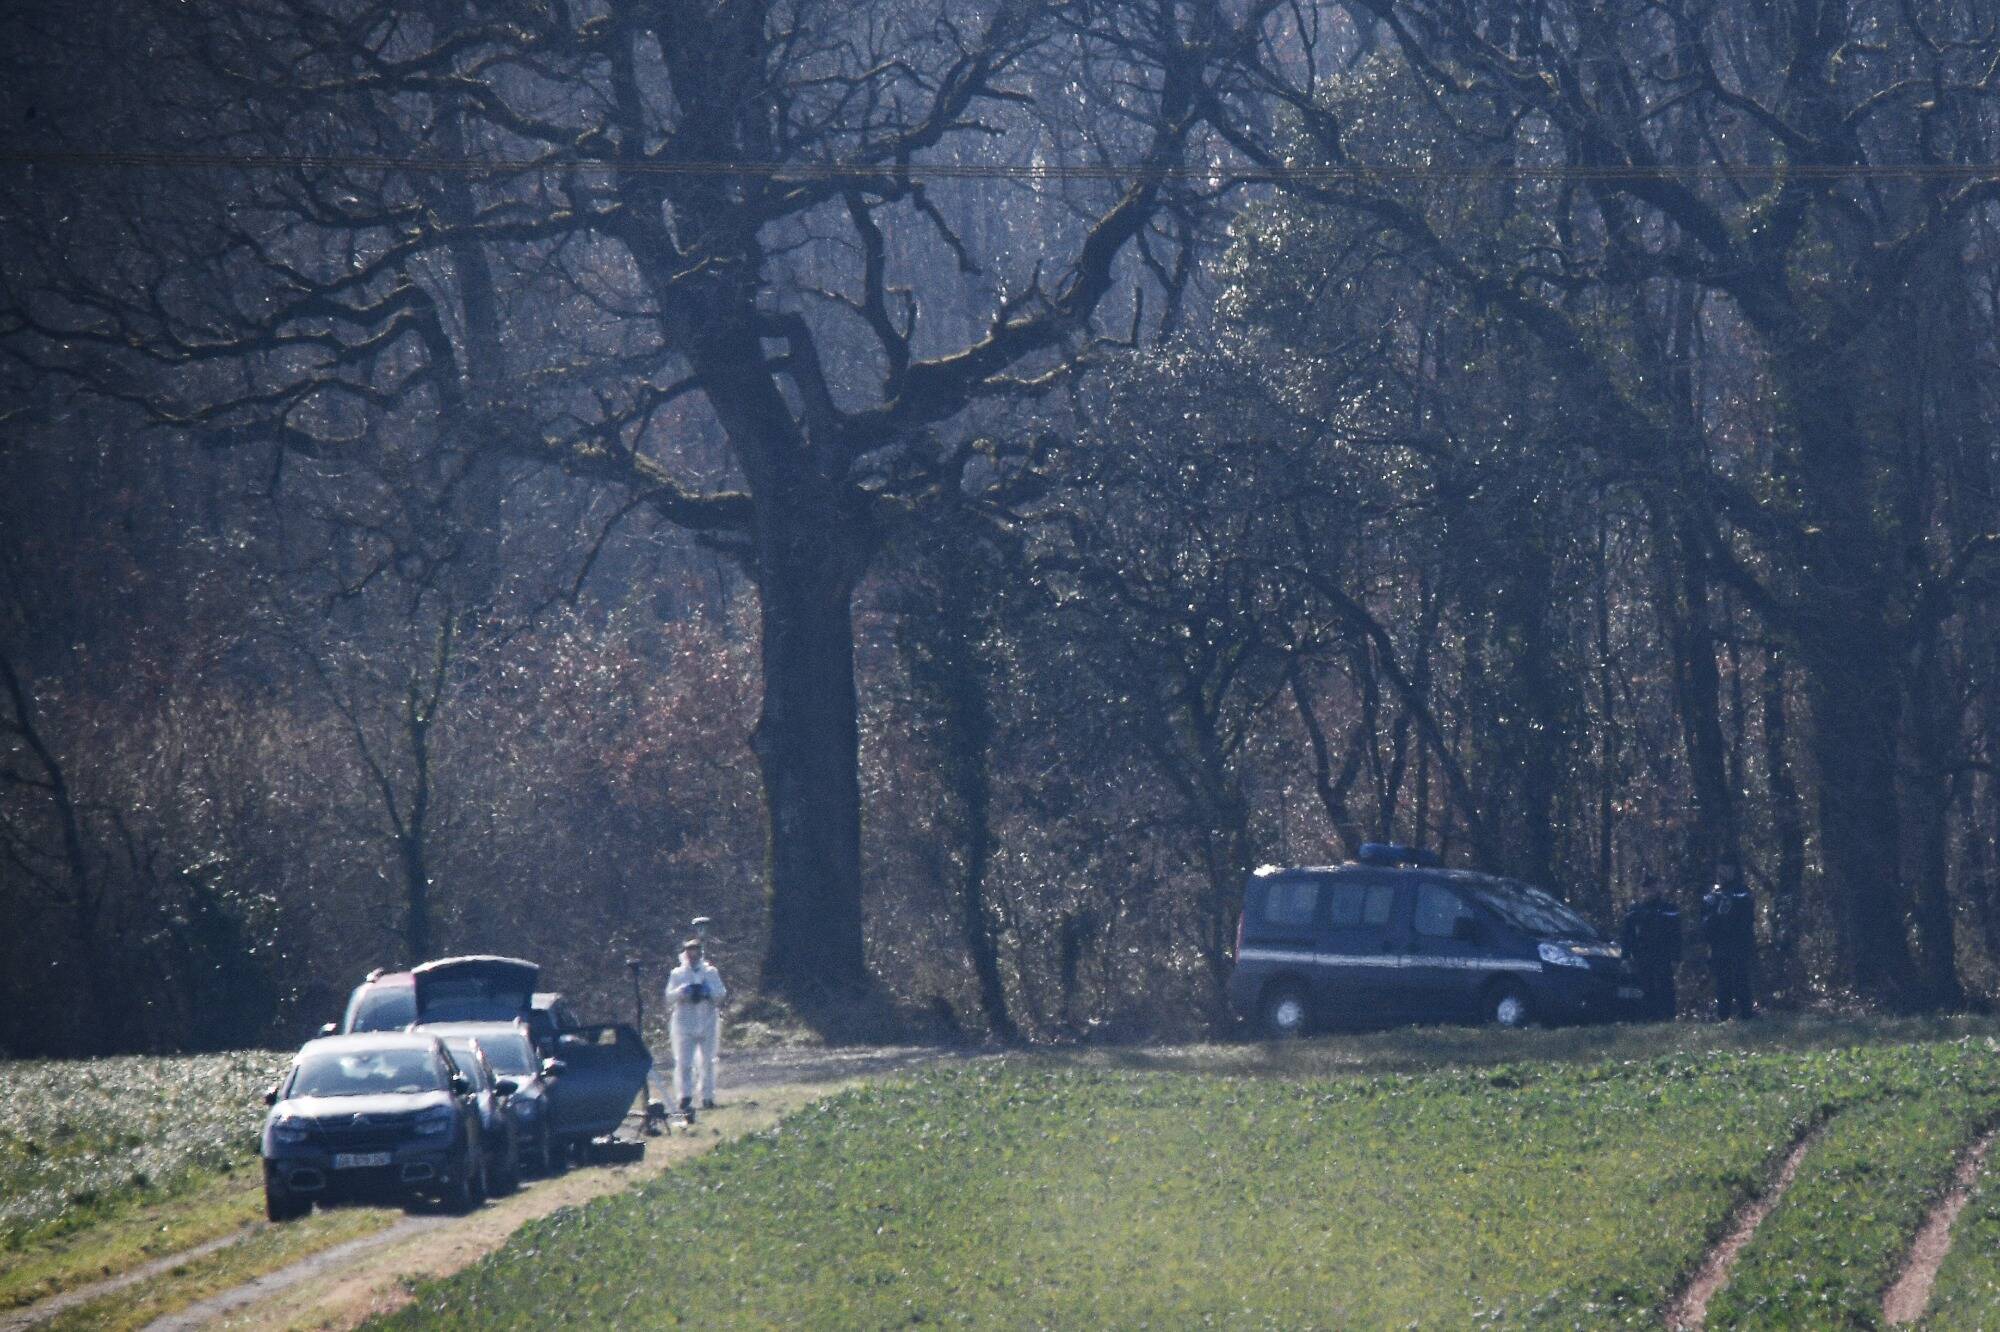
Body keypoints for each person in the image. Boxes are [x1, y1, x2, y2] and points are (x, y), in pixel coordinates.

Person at [665, 937, 726, 1118]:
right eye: (689, 951)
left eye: (696, 951)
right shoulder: (677, 974)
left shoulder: (710, 972)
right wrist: (682, 992)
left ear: (700, 952)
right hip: (684, 1023)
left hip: (707, 1022)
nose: (693, 955)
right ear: (685, 953)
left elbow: (721, 994)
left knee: (708, 1061)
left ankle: (707, 1096)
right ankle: (685, 1096)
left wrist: (708, 992)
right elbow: (668, 998)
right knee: (684, 1062)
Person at [1620, 883, 1683, 1022]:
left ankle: (1668, 1016)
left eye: (1651, 888)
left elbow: (1675, 934)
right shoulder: (1635, 910)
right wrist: (1625, 955)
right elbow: (1627, 935)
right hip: (1642, 955)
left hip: (1662, 955)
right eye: (1646, 889)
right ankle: (1648, 1017)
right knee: (1645, 987)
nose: (1648, 892)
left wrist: (1677, 955)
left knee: (1665, 986)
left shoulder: (1668, 909)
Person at [1699, 868, 1757, 1020]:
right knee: (1723, 982)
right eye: (1722, 868)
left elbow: (1747, 919)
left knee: (1741, 980)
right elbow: (1705, 922)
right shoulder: (1712, 895)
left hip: (1739, 945)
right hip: (1720, 945)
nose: (1724, 873)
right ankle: (1723, 1016)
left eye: (1728, 868)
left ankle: (1746, 1015)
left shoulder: (1743, 892)